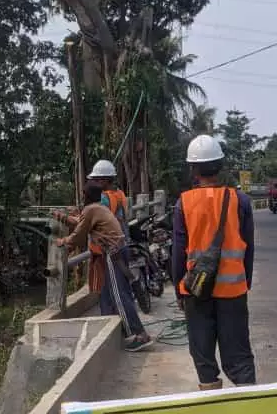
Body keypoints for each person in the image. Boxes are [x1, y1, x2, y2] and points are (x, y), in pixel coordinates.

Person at [172, 135, 256, 390]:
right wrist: (245, 283)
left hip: (197, 291)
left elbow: (178, 251)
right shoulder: (239, 200)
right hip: (233, 291)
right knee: (239, 356)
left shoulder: (183, 203)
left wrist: (179, 288)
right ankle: (251, 407)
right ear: (220, 166)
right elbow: (248, 248)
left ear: (193, 169)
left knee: (203, 356)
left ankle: (212, 407)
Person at [57, 181, 152, 351]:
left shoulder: (91, 210)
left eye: (82, 194)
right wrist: (62, 217)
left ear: (85, 195)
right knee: (118, 292)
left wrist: (63, 241)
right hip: (119, 250)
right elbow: (81, 222)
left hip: (112, 253)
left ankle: (138, 335)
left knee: (119, 295)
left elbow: (79, 235)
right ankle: (130, 331)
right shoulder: (99, 207)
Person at [87, 159, 129, 239]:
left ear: (104, 180)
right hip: (121, 238)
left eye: (96, 179)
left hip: (107, 244)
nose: (94, 183)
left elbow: (92, 222)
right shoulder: (120, 193)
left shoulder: (103, 198)